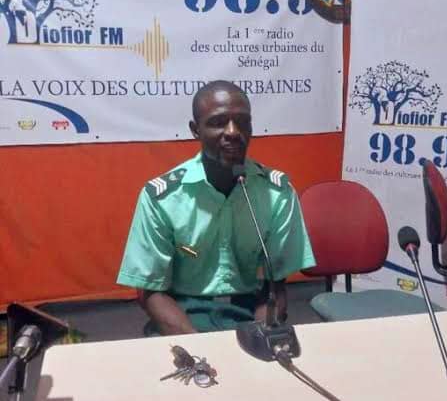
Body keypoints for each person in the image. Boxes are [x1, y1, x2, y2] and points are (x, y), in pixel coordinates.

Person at [117, 80, 315, 335]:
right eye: (218, 122)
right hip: (182, 313)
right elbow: (150, 292)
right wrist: (200, 348)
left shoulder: (277, 193)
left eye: (242, 122)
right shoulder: (163, 197)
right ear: (195, 130)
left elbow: (275, 287)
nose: (233, 132)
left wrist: (261, 334)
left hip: (249, 312)